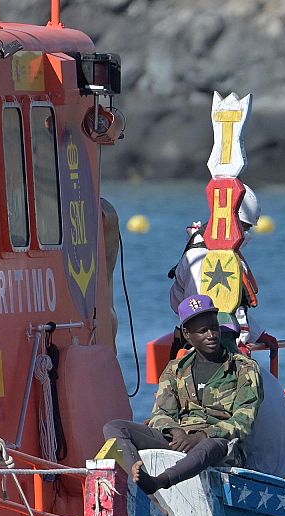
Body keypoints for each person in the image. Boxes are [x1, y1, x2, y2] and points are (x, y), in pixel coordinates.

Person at [103, 295, 262, 494]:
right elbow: (160, 413)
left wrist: (202, 436)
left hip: (222, 444)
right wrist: (176, 432)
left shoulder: (244, 369)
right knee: (115, 427)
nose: (211, 335)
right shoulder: (175, 369)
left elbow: (244, 420)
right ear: (187, 335)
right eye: (202, 331)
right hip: (180, 438)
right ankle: (139, 477)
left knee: (211, 446)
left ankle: (159, 482)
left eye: (213, 327)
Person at [169, 187, 271, 346]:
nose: (245, 234)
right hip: (205, 350)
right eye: (244, 227)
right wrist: (229, 346)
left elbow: (230, 302)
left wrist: (257, 335)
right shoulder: (199, 258)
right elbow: (198, 311)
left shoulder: (225, 254)